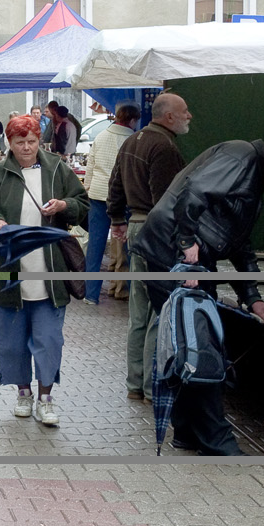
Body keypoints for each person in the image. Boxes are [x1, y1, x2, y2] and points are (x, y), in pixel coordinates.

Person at [133, 134, 264, 455]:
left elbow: (239, 242)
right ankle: (215, 438)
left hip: (178, 254)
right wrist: (185, 242)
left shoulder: (247, 166)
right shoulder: (242, 157)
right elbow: (194, 191)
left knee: (190, 344)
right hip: (174, 255)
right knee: (200, 349)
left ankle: (188, 431)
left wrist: (252, 297)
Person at [0, 114, 89, 427]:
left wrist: (64, 206)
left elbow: (83, 204)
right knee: (11, 340)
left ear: (40, 141)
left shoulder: (58, 170)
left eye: (32, 142)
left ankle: (46, 397)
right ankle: (23, 392)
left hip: (49, 271)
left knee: (48, 339)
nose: (26, 148)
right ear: (9, 142)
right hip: (10, 270)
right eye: (20, 142)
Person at [109, 93, 192, 401]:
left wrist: (117, 218)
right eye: (184, 111)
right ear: (168, 116)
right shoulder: (164, 147)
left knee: (138, 314)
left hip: (135, 228)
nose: (189, 116)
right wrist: (181, 240)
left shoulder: (132, 141)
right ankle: (150, 386)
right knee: (159, 312)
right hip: (156, 232)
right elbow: (165, 202)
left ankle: (135, 384)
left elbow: (115, 184)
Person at [81, 103, 140, 304]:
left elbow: (91, 165)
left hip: (97, 195)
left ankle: (90, 295)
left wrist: (87, 188)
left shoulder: (101, 136)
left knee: (95, 247)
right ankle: (134, 294)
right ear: (132, 120)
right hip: (123, 199)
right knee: (130, 246)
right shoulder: (133, 140)